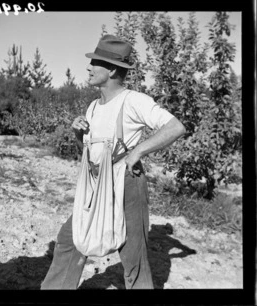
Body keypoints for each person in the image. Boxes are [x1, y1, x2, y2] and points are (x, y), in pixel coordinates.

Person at [40, 34, 186, 290]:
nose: (89, 67)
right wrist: (79, 134)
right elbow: (89, 154)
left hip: (127, 182)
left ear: (111, 69)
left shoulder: (134, 101)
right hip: (96, 183)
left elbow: (176, 127)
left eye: (95, 62)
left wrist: (138, 151)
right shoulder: (93, 106)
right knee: (70, 238)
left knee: (132, 254)